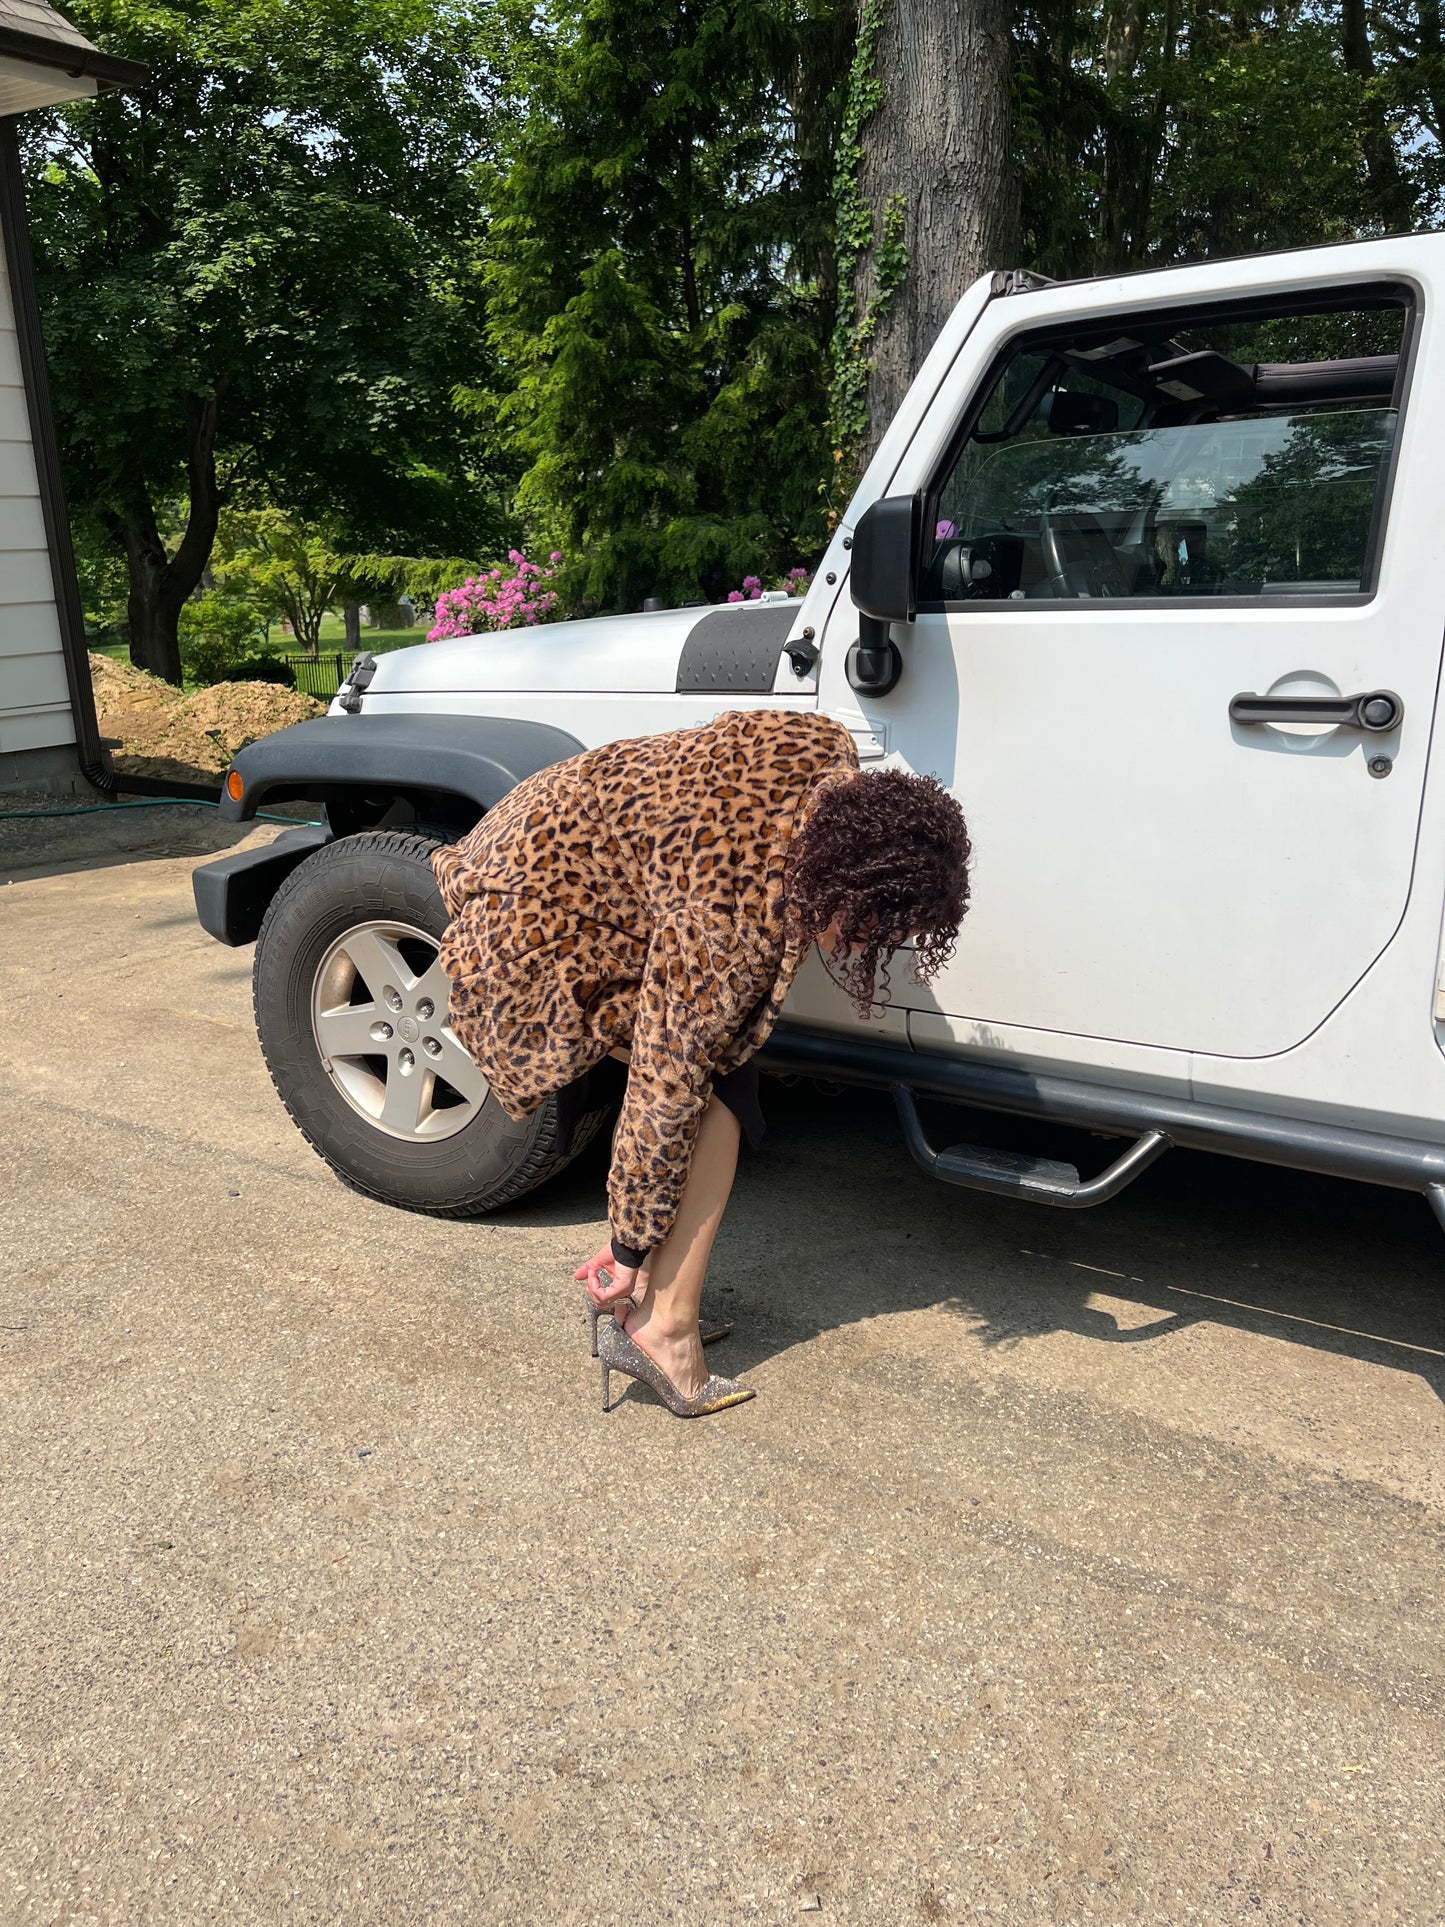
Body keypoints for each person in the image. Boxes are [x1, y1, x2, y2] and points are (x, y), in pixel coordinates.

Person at [432, 709, 972, 1417]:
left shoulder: (824, 752)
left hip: (540, 844)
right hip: (528, 918)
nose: (872, 944)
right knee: (712, 1097)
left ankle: (662, 1304)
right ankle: (663, 1328)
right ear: (841, 876)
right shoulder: (729, 920)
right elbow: (662, 1083)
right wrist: (626, 1246)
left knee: (729, 1087)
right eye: (869, 925)